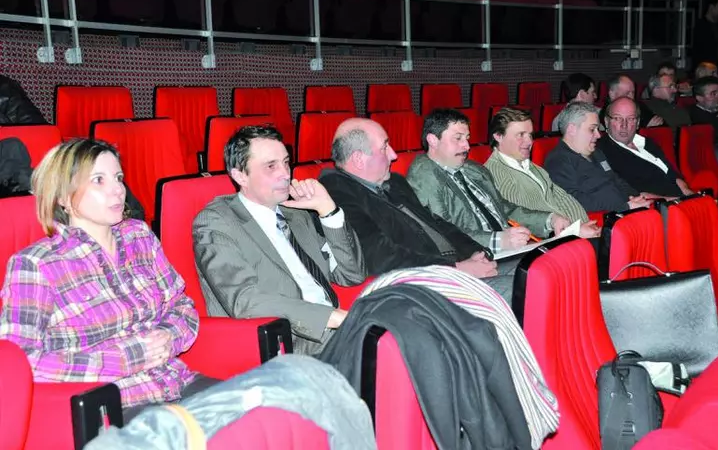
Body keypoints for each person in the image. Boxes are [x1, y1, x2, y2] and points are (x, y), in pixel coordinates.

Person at [0, 139, 209, 421]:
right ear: (63, 196)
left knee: (270, 410)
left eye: (118, 178)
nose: (117, 189)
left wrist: (171, 336)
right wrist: (126, 359)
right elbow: (19, 363)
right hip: (114, 404)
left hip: (178, 382)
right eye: (98, 180)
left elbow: (181, 304)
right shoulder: (36, 264)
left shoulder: (139, 236)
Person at [193, 125, 366, 356]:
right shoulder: (216, 221)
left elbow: (351, 275)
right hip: (283, 340)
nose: (286, 173)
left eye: (286, 162)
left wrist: (328, 211)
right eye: (271, 166)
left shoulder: (296, 214)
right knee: (382, 341)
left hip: (330, 328)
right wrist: (331, 318)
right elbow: (246, 301)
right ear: (240, 175)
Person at [318, 118, 505, 298]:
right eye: (385, 147)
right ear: (359, 159)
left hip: (457, 269)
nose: (394, 155)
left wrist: (477, 252)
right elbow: (379, 255)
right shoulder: (336, 193)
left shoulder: (395, 182)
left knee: (528, 274)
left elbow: (435, 222)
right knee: (526, 292)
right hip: (426, 286)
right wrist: (456, 269)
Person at [407, 108, 567, 257]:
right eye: (458, 138)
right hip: (476, 259)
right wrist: (497, 241)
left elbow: (504, 209)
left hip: (508, 252)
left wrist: (549, 220)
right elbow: (440, 232)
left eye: (467, 138)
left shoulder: (474, 169)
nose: (467, 146)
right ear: (433, 140)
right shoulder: (424, 175)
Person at [483, 107, 600, 238]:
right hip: (547, 243)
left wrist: (581, 225)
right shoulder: (495, 173)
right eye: (520, 135)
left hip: (567, 234)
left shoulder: (532, 167)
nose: (529, 142)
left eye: (530, 135)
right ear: (498, 136)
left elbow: (564, 199)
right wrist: (573, 232)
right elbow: (520, 218)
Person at [544, 102, 652, 213]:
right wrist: (624, 207)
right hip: (604, 221)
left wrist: (636, 197)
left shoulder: (596, 153)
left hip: (628, 212)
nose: (598, 135)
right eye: (592, 130)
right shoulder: (558, 161)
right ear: (572, 129)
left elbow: (616, 180)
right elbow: (572, 202)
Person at [598, 97, 693, 198]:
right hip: (655, 207)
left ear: (638, 123)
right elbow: (632, 194)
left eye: (630, 119)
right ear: (606, 121)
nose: (624, 125)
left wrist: (689, 195)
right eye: (617, 118)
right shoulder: (603, 151)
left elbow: (672, 174)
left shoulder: (647, 143)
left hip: (678, 200)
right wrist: (673, 200)